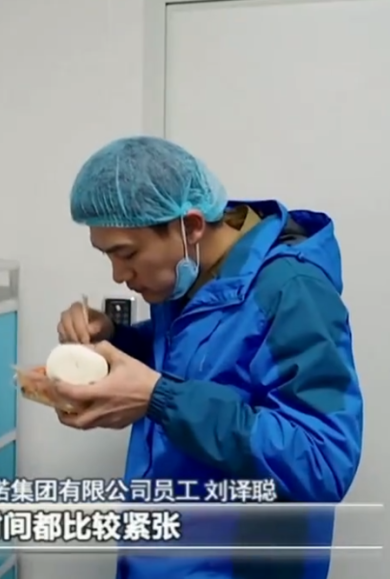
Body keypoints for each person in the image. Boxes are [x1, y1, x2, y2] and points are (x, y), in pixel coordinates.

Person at [51, 136, 364, 579]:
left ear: (192, 226)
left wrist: (159, 398)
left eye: (127, 254)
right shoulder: (189, 277)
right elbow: (201, 361)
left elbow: (322, 462)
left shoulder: (292, 291)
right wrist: (116, 340)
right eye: (108, 256)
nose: (119, 276)